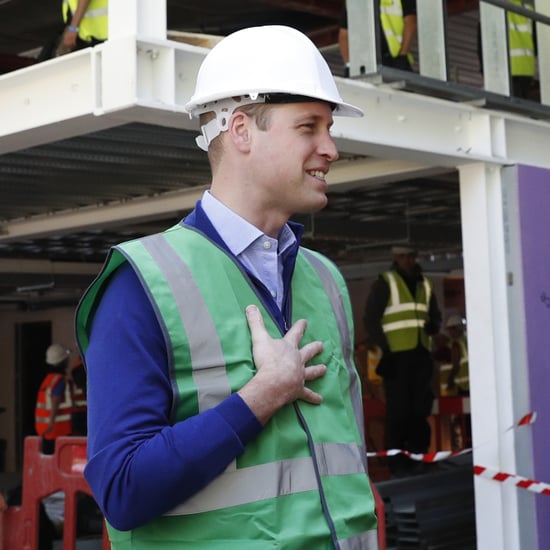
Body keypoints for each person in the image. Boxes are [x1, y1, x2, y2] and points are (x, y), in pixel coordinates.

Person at [75, 25, 379, 548]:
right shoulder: (141, 283)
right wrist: (260, 396)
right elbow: (122, 492)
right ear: (240, 130)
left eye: (329, 128)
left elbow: (348, 473)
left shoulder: (326, 280)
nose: (329, 147)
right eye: (308, 126)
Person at [363, 245, 441, 476]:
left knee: (420, 408)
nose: (408, 260)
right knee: (399, 411)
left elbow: (435, 315)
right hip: (397, 356)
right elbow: (371, 319)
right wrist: (386, 346)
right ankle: (397, 461)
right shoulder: (385, 282)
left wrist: (433, 326)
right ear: (396, 259)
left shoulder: (424, 283)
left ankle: (419, 454)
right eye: (404, 257)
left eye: (411, 256)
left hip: (420, 353)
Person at [339, 0, 417, 76]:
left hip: (392, 60)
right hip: (380, 61)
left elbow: (411, 22)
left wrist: (349, 65)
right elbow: (344, 35)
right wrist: (349, 64)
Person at [477, 0, 537, 100]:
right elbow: (536, 43)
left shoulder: (491, 8)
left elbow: (482, 42)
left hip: (502, 69)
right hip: (526, 69)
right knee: (521, 106)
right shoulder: (528, 9)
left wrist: (484, 70)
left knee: (505, 107)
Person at [35, 343, 73, 455]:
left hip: (45, 430)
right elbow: (55, 400)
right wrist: (51, 423)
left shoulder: (48, 380)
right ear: (62, 361)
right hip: (57, 429)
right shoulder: (59, 380)